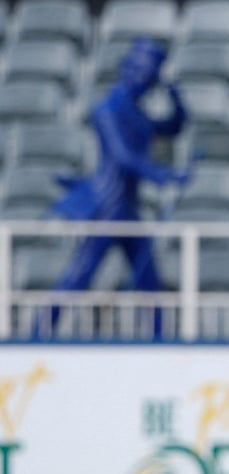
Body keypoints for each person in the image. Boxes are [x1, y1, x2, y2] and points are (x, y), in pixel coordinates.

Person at [33, 37, 191, 338]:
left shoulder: (138, 113)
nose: (147, 80)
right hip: (108, 205)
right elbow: (123, 156)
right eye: (145, 72)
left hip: (127, 208)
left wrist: (176, 97)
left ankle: (161, 339)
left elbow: (172, 127)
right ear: (131, 70)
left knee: (148, 277)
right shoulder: (108, 109)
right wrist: (162, 175)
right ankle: (40, 331)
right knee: (81, 273)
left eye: (152, 74)